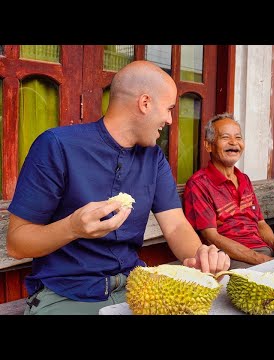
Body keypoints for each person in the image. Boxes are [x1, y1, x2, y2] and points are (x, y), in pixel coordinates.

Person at [6, 60, 230, 315]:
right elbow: (16, 243)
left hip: (135, 288)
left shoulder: (154, 158)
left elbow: (176, 225)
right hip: (66, 295)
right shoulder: (57, 146)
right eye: (168, 109)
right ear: (145, 103)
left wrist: (201, 254)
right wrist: (72, 227)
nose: (169, 120)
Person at [183, 113, 274, 269]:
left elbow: (260, 223)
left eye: (238, 137)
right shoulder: (199, 184)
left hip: (263, 252)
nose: (233, 142)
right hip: (229, 258)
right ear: (209, 145)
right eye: (225, 137)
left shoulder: (244, 179)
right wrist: (261, 260)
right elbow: (211, 236)